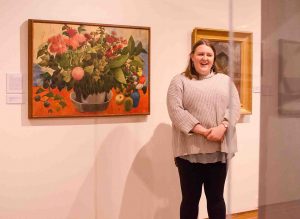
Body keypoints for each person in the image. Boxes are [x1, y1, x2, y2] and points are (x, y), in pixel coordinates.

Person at [167, 39, 240, 219]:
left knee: (216, 200)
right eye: (200, 54)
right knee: (190, 201)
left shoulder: (225, 81)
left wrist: (222, 127)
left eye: (209, 55)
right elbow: (175, 111)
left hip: (219, 151)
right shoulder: (179, 81)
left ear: (214, 59)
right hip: (188, 154)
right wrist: (204, 131)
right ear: (192, 57)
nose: (204, 58)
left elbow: (235, 107)